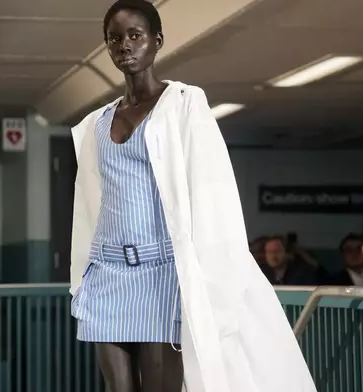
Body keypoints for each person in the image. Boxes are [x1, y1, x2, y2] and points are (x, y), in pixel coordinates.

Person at [68, 1, 316, 391]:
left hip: (162, 272)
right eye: (115, 38)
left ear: (157, 41)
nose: (125, 46)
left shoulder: (182, 105)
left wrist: (219, 279)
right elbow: (90, 203)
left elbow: (213, 191)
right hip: (106, 271)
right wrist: (82, 276)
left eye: (136, 35)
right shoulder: (96, 123)